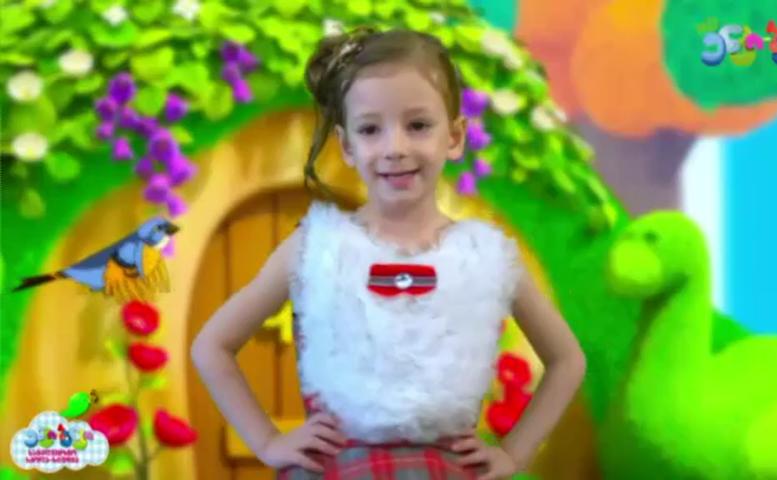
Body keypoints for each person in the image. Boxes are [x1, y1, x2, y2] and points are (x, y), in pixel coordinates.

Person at [191, 26, 586, 480]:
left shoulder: (484, 255)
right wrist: (266, 441)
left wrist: (515, 453)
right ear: (348, 146)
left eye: (417, 126)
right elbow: (211, 346)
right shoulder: (317, 248)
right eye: (370, 129)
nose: (395, 148)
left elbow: (567, 360)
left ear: (454, 136)